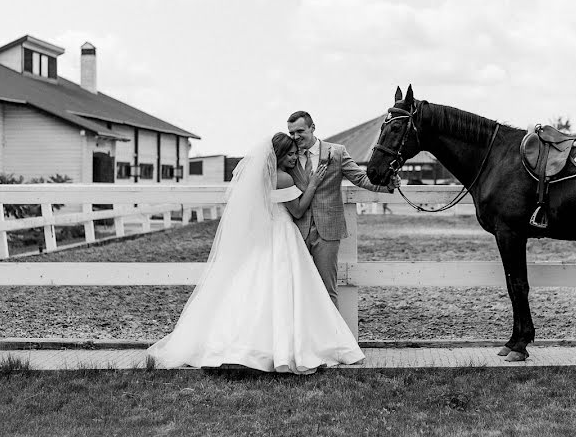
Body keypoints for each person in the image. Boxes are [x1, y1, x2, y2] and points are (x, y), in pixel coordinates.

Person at [147, 133, 365, 374]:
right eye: (290, 154)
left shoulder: (261, 177)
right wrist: (312, 184)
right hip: (282, 231)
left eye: (295, 154)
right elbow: (299, 210)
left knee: (253, 286)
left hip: (263, 235)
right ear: (279, 155)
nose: (294, 158)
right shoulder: (282, 178)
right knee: (289, 287)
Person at [287, 111, 401, 306]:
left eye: (300, 131)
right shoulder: (288, 155)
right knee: (297, 288)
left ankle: (333, 336)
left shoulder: (337, 152)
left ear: (312, 127)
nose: (296, 137)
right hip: (296, 230)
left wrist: (387, 186)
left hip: (328, 231)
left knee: (327, 288)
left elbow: (360, 178)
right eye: (291, 133)